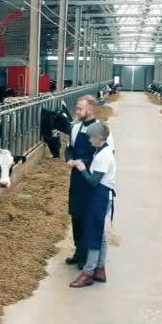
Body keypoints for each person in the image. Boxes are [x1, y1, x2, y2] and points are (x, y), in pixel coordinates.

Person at [65, 95, 114, 269]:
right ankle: (79, 251)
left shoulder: (101, 131)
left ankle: (87, 255)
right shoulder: (75, 127)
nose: (76, 111)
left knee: (88, 217)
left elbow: (105, 157)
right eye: (77, 108)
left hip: (92, 181)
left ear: (90, 109)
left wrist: (82, 164)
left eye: (80, 109)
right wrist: (69, 159)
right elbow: (69, 148)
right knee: (76, 215)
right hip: (76, 179)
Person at [69, 122, 116, 288]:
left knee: (93, 234)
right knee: (99, 234)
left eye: (90, 137)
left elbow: (94, 181)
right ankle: (100, 269)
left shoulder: (104, 156)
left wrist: (82, 168)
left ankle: (88, 273)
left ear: (98, 138)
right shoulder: (102, 150)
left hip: (100, 196)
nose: (88, 140)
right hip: (102, 196)